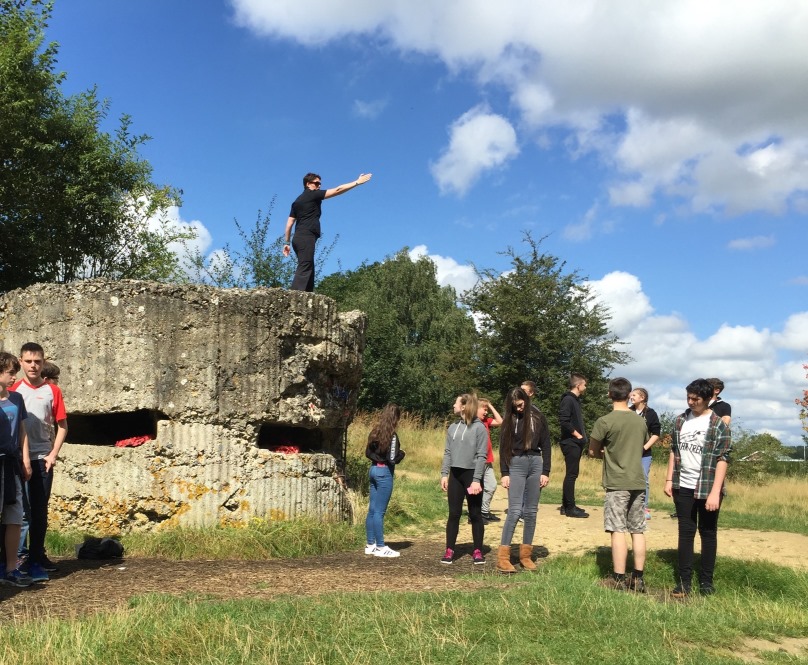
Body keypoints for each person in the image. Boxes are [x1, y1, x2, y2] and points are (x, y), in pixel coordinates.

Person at [664, 378, 732, 598]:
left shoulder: (717, 424)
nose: (691, 402)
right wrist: (668, 480)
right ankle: (684, 582)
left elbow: (723, 459)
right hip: (682, 484)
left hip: (707, 487)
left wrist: (715, 491)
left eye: (696, 399)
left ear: (708, 399)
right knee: (685, 533)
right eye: (689, 398)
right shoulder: (680, 421)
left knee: (708, 533)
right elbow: (674, 450)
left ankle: (706, 581)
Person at [11, 342, 67, 583]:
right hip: (18, 459)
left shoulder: (52, 391)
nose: (33, 365)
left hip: (42, 459)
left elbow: (62, 426)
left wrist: (53, 454)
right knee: (20, 512)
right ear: (21, 363)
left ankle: (35, 558)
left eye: (38, 361)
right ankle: (18, 558)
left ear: (43, 363)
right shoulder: (13, 390)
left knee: (40, 511)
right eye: (28, 361)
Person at [589, 377, 649, 592]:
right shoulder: (640, 421)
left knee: (617, 530)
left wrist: (604, 453)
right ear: (628, 394)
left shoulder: (605, 421)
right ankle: (638, 578)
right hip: (638, 481)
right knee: (638, 530)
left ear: (609, 394)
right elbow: (641, 446)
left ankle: (618, 578)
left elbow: (593, 450)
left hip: (617, 483)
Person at [282, 172, 373, 292]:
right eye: (316, 183)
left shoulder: (297, 201)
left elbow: (289, 224)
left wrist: (287, 243)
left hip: (298, 239)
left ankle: (307, 296)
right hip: (306, 236)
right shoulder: (312, 195)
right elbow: (337, 190)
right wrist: (356, 182)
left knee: (309, 266)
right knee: (305, 266)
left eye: (320, 183)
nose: (319, 186)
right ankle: (293, 299)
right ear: (308, 184)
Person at [497, 387, 551, 574]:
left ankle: (525, 556)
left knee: (531, 512)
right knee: (514, 511)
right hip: (516, 463)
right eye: (515, 406)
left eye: (520, 405)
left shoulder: (538, 417)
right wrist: (504, 472)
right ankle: (503, 557)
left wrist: (546, 471)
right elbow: (503, 447)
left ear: (526, 400)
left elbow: (546, 444)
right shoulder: (509, 419)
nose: (519, 409)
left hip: (536, 462)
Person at [440, 394, 488, 565]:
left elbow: (482, 455)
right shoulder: (453, 427)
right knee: (454, 514)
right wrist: (444, 474)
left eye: (456, 403)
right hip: (455, 475)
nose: (453, 405)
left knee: (475, 514)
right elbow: (447, 453)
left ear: (463, 407)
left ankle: (477, 550)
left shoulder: (479, 428)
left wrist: (476, 480)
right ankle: (449, 549)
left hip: (472, 476)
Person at [0, 352, 34, 587]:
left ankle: (11, 569)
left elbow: (22, 432)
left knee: (15, 518)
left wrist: (26, 460)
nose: (14, 378)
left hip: (12, 466)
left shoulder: (17, 399)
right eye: (11, 373)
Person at [364, 404, 405, 558]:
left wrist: (378, 459)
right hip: (384, 473)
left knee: (372, 510)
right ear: (396, 418)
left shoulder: (374, 432)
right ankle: (381, 546)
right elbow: (393, 459)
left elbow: (368, 453)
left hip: (373, 469)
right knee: (380, 512)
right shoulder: (392, 436)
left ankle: (370, 544)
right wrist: (403, 454)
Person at [558, 373, 589, 518]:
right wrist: (577, 435)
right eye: (584, 384)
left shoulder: (575, 400)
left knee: (572, 474)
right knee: (571, 474)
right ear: (578, 385)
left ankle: (566, 505)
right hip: (571, 442)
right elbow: (564, 421)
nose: (585, 387)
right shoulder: (568, 400)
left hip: (575, 442)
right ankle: (570, 508)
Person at [629, 387, 661, 520]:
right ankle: (629, 506)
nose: (631, 397)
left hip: (644, 454)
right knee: (628, 479)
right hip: (628, 452)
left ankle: (644, 507)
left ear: (642, 398)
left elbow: (656, 434)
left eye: (634, 395)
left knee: (644, 480)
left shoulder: (651, 413)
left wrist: (644, 447)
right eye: (631, 395)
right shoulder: (628, 412)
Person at [477, 398, 502, 523]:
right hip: (477, 461)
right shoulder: (472, 423)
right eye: (484, 409)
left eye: (487, 410)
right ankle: (475, 514)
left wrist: (491, 406)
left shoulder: (486, 421)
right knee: (475, 488)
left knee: (491, 486)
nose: (486, 412)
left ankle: (484, 511)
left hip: (488, 461)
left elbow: (500, 421)